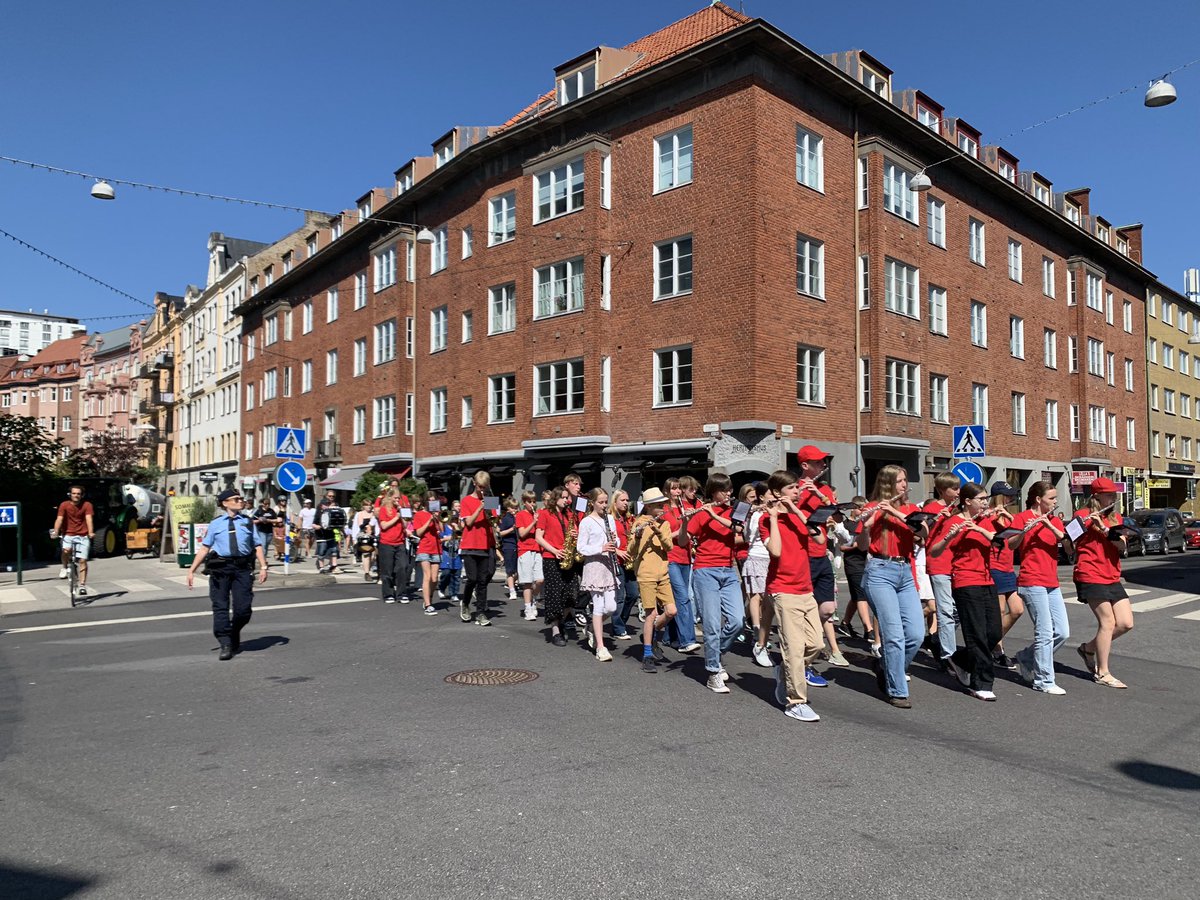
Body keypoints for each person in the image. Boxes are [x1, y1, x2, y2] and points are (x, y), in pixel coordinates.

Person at [857, 465, 925, 708]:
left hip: (905, 571)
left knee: (916, 635)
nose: (904, 485)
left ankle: (886, 664)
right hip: (880, 571)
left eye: (905, 480)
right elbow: (863, 546)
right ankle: (896, 689)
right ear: (887, 484)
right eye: (899, 481)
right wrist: (866, 525)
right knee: (894, 635)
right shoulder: (870, 508)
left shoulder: (911, 509)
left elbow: (922, 534)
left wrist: (895, 514)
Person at [930, 483, 1000, 701]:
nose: (985, 503)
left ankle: (959, 659)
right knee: (977, 633)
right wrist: (951, 536)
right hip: (965, 580)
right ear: (968, 501)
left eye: (986, 498)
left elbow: (1000, 542)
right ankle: (981, 683)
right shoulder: (953, 521)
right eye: (981, 499)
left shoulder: (984, 521)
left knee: (994, 632)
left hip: (987, 579)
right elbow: (934, 550)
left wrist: (980, 529)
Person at [762, 469, 822, 722]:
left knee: (817, 644)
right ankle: (795, 701)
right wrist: (775, 518)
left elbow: (818, 542)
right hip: (783, 590)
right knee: (794, 648)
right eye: (791, 488)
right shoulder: (765, 520)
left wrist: (797, 512)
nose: (797, 492)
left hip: (805, 588)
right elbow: (775, 551)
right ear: (777, 492)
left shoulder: (802, 517)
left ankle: (785, 671)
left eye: (797, 488)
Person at [1067, 478, 1134, 689]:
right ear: (1096, 496)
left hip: (1111, 575)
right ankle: (1103, 672)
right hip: (1090, 573)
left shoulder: (1115, 518)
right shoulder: (1081, 516)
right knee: (1108, 623)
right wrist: (1084, 526)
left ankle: (1088, 648)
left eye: (1114, 495)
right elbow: (1069, 546)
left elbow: (1122, 547)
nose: (1112, 498)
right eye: (1108, 495)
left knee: (1125, 623)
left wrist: (1104, 530)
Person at [187, 488, 268, 661]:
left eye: (241, 498)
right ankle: (225, 642)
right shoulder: (216, 523)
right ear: (225, 503)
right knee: (220, 606)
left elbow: (257, 545)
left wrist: (263, 566)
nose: (240, 501)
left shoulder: (247, 522)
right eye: (236, 499)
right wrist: (191, 570)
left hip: (242, 568)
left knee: (243, 609)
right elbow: (205, 547)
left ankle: (233, 632)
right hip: (221, 567)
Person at [1007, 481, 1068, 694]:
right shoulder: (1021, 517)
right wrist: (1024, 531)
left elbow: (1063, 540)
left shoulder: (1054, 520)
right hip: (1031, 580)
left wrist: (1049, 524)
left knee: (1062, 632)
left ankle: (1026, 657)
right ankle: (1044, 680)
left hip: (1051, 581)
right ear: (1038, 499)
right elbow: (1012, 545)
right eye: (1051, 498)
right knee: (1044, 632)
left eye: (1055, 498)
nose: (1055, 502)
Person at [688, 473, 745, 693]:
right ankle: (713, 671)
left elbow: (737, 529)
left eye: (730, 489)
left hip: (728, 571)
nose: (729, 493)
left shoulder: (736, 510)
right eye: (724, 490)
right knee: (711, 625)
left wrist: (713, 513)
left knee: (738, 621)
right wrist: (685, 522)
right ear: (714, 491)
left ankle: (715, 653)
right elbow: (684, 539)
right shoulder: (701, 513)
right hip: (705, 570)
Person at [794, 445, 841, 688]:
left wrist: (821, 496)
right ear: (805, 466)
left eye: (824, 462)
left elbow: (835, 514)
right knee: (805, 612)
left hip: (822, 554)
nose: (823, 465)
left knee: (827, 609)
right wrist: (802, 493)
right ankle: (802, 663)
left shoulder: (823, 488)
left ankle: (802, 655)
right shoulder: (794, 488)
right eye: (818, 462)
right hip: (802, 555)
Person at [629, 487, 676, 672]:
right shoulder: (638, 522)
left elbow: (669, 546)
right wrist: (639, 536)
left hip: (662, 574)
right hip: (646, 574)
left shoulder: (663, 524)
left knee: (672, 611)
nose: (662, 508)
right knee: (651, 614)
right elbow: (631, 550)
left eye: (662, 505)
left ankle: (652, 635)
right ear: (648, 507)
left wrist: (657, 531)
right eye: (658, 506)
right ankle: (647, 654)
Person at [923, 472, 962, 666]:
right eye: (954, 489)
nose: (958, 492)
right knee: (945, 610)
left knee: (957, 611)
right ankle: (948, 654)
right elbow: (923, 534)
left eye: (958, 488)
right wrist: (937, 519)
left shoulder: (957, 509)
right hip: (938, 563)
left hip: (956, 564)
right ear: (942, 490)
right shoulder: (932, 508)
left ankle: (938, 639)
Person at [577, 488, 619, 661]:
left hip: (608, 565)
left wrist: (615, 540)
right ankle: (600, 647)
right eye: (600, 502)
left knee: (612, 607)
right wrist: (600, 548)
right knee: (599, 606)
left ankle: (592, 628)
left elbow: (616, 542)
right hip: (594, 565)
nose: (604, 505)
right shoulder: (586, 522)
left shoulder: (609, 519)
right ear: (592, 503)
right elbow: (581, 547)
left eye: (605, 502)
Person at [663, 476, 701, 652]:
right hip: (670, 558)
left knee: (676, 599)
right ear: (667, 491)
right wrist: (677, 532)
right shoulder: (663, 510)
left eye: (679, 488)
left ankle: (668, 636)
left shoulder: (685, 508)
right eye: (673, 489)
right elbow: (658, 537)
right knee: (683, 597)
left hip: (685, 556)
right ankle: (687, 640)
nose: (677, 492)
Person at [537, 487, 579, 646]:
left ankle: (560, 620)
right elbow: (538, 537)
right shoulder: (545, 513)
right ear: (555, 498)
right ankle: (555, 630)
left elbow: (572, 535)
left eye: (567, 497)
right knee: (554, 595)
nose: (567, 500)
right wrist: (554, 551)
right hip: (551, 558)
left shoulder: (569, 515)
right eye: (563, 497)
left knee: (571, 594)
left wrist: (575, 535)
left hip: (567, 558)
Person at [986, 482, 1021, 669]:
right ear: (999, 497)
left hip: (1008, 567)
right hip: (994, 566)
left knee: (1017, 610)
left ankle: (991, 641)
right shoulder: (989, 515)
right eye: (1007, 496)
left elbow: (1015, 540)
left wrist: (1012, 520)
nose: (1011, 499)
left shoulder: (1009, 517)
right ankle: (998, 650)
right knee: (998, 611)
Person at [459, 471, 499, 626]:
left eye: (485, 487)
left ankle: (481, 612)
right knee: (472, 579)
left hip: (485, 544)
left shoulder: (490, 500)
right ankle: (466, 603)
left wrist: (493, 518)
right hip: (470, 544)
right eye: (480, 486)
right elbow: (468, 523)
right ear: (475, 484)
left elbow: (494, 521)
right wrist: (480, 508)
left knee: (482, 581)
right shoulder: (466, 501)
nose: (482, 490)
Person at [741, 483, 773, 668]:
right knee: (757, 596)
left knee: (768, 599)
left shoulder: (777, 511)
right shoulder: (756, 514)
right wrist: (754, 514)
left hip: (772, 558)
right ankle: (755, 630)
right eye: (770, 494)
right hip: (757, 556)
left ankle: (761, 630)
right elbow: (748, 537)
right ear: (762, 497)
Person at [609, 489, 641, 642]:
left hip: (629, 561)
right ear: (615, 502)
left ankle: (620, 621)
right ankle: (618, 628)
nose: (626, 503)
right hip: (616, 561)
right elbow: (605, 541)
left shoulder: (629, 519)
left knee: (633, 594)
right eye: (622, 500)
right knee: (620, 597)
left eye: (627, 500)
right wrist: (617, 551)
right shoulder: (609, 519)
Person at [51, 485, 94, 596]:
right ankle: (64, 568)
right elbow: (59, 519)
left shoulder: (87, 505)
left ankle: (82, 585)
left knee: (83, 560)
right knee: (66, 550)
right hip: (68, 534)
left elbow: (89, 519)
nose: (76, 496)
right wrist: (56, 531)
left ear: (82, 495)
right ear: (70, 494)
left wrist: (90, 532)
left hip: (83, 535)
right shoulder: (64, 505)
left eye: (78, 494)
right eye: (74, 493)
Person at [515, 490, 543, 621]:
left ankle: (534, 599)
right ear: (524, 502)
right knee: (527, 582)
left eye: (533, 501)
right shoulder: (520, 515)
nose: (532, 504)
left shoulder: (536, 514)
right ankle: (528, 608)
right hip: (525, 550)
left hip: (537, 549)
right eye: (529, 502)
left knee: (539, 580)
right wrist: (533, 522)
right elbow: (522, 534)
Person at [376, 491, 410, 603]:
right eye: (395, 498)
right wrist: (396, 517)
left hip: (400, 542)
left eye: (399, 498)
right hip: (386, 543)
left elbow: (405, 525)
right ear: (389, 497)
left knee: (402, 567)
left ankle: (401, 593)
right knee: (387, 570)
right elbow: (384, 525)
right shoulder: (383, 509)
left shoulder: (400, 509)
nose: (397, 500)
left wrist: (403, 516)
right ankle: (388, 594)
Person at [412, 493, 441, 615]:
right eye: (430, 501)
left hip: (436, 547)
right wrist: (429, 519)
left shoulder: (435, 515)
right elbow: (419, 532)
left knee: (434, 579)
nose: (433, 504)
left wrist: (437, 519)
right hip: (424, 548)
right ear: (425, 502)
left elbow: (441, 530)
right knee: (427, 576)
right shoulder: (419, 514)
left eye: (434, 501)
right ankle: (428, 604)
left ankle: (429, 597)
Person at [498, 497, 520, 603]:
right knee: (510, 570)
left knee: (519, 570)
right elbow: (501, 533)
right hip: (508, 546)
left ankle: (510, 582)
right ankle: (512, 591)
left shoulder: (519, 517)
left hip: (518, 546)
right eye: (513, 508)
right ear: (508, 508)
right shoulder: (506, 518)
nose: (515, 510)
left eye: (516, 507)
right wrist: (512, 528)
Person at [438, 513, 463, 601]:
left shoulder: (458, 528)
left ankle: (454, 593)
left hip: (456, 554)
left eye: (455, 519)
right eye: (452, 519)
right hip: (446, 553)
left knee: (456, 575)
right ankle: (441, 588)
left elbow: (461, 537)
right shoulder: (444, 528)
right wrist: (445, 538)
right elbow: (439, 540)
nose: (454, 521)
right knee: (446, 573)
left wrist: (456, 528)